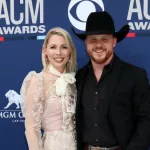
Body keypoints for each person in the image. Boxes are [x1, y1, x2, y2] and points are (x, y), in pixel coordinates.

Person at [72, 11, 150, 150]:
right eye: (93, 40)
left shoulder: (135, 76)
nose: (98, 45)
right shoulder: (78, 77)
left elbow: (146, 121)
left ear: (114, 41)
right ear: (86, 43)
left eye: (104, 39)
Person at [20, 27, 77, 150]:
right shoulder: (37, 80)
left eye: (64, 47)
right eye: (53, 47)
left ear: (70, 51)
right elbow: (31, 128)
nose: (58, 52)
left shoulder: (74, 80)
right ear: (45, 51)